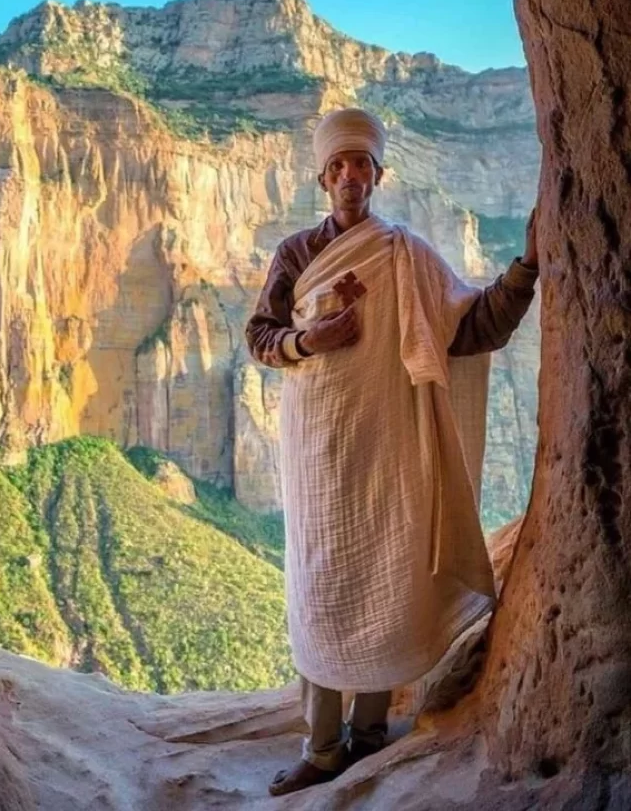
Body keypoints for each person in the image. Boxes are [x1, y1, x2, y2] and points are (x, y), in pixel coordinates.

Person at [245, 108, 539, 797]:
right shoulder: (295, 254)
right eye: (339, 166)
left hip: (388, 448)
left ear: (379, 175)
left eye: (362, 165)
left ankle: (368, 738)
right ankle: (321, 746)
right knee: (319, 587)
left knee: (384, 573)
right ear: (323, 178)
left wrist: (526, 267)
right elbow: (259, 335)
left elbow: (471, 328)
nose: (351, 177)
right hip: (317, 450)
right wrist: (306, 342)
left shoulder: (406, 255)